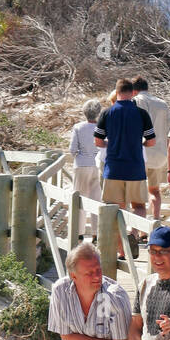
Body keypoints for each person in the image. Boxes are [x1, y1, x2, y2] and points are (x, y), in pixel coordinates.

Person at [94, 77, 155, 218]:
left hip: (114, 167)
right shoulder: (141, 114)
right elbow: (152, 142)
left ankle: (119, 239)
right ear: (133, 93)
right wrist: (140, 144)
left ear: (117, 92)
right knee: (139, 206)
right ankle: (134, 234)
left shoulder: (107, 113)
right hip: (135, 167)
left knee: (116, 208)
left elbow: (97, 141)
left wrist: (109, 144)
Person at [132, 77, 170, 219]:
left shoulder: (137, 101)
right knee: (155, 191)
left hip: (142, 152)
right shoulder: (162, 103)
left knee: (138, 196)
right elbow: (168, 128)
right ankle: (155, 221)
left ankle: (140, 228)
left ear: (134, 90)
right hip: (160, 153)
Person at [67, 99, 101, 237]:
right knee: (96, 199)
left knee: (80, 199)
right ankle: (95, 233)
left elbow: (72, 149)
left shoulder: (78, 127)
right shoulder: (102, 127)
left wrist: (78, 155)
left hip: (81, 165)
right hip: (97, 165)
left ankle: (79, 232)